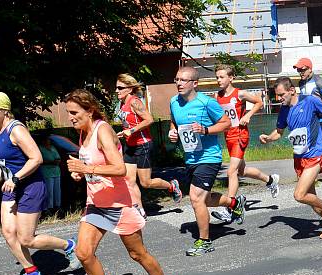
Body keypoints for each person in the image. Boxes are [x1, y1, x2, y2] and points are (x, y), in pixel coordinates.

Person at [64, 89, 177, 275]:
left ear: (90, 110)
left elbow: (120, 169)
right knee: (83, 253)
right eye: (68, 113)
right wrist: (80, 173)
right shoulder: (82, 132)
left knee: (137, 253)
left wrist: (87, 169)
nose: (70, 117)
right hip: (95, 203)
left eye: (74, 112)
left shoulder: (102, 130)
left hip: (119, 204)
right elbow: (92, 165)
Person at [0, 92, 81, 275]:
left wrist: (16, 177)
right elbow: (5, 163)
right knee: (8, 232)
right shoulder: (0, 130)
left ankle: (69, 246)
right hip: (11, 187)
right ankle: (32, 272)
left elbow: (36, 158)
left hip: (30, 187)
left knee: (26, 238)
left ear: (5, 110)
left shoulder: (16, 129)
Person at [168, 66, 246, 256]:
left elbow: (227, 123)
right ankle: (234, 203)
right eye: (176, 79)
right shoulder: (173, 102)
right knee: (205, 198)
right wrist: (172, 132)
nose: (178, 83)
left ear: (194, 83)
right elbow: (174, 121)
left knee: (196, 198)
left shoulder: (206, 102)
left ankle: (204, 241)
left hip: (209, 157)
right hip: (190, 157)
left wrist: (205, 130)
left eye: (183, 80)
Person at [260, 77, 322, 239]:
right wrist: (269, 138)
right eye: (277, 96)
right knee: (311, 199)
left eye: (281, 94)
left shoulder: (310, 101)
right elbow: (279, 132)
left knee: (299, 195)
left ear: (292, 90)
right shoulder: (284, 110)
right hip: (299, 156)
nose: (279, 98)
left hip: (315, 153)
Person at [210, 65, 280, 223]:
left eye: (221, 77)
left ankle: (230, 207)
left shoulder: (239, 93)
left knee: (231, 171)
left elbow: (259, 102)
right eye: (217, 77)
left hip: (241, 135)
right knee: (241, 171)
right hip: (228, 136)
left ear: (231, 78)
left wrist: (248, 115)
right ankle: (270, 180)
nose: (218, 80)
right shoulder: (217, 96)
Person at [114, 74, 182, 217]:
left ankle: (172, 186)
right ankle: (139, 210)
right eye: (116, 87)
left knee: (146, 182)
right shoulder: (122, 103)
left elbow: (149, 119)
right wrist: (124, 132)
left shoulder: (134, 102)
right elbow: (129, 122)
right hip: (130, 146)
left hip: (143, 145)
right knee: (129, 180)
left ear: (130, 88)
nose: (116, 91)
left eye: (120, 88)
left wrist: (131, 130)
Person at [37, 134, 62, 213]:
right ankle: (49, 208)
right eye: (48, 140)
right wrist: (51, 162)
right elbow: (40, 161)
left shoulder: (53, 147)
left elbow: (58, 157)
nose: (49, 141)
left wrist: (57, 161)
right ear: (43, 140)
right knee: (49, 191)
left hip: (56, 172)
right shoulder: (40, 148)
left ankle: (57, 206)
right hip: (47, 172)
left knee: (57, 191)